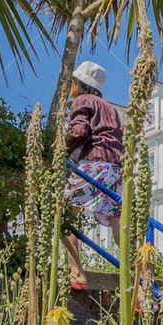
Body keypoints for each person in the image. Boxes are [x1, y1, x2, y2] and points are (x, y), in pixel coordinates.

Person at [61, 61, 123, 291]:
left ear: (79, 84)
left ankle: (77, 273)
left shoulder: (82, 101)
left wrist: (59, 147)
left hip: (94, 164)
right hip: (115, 170)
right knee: (117, 221)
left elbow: (79, 131)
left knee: (62, 211)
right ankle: (137, 285)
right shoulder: (111, 109)